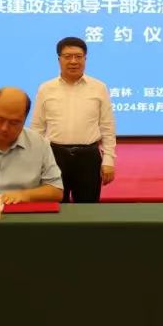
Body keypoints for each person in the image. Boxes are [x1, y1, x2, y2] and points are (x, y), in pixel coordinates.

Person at [30, 37, 117, 203]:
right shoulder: (46, 88)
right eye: (67, 56)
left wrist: (109, 160)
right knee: (55, 208)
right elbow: (37, 128)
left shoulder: (99, 87)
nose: (73, 61)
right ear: (59, 59)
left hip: (88, 157)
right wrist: (35, 161)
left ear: (85, 59)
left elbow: (107, 127)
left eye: (78, 56)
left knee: (88, 209)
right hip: (54, 156)